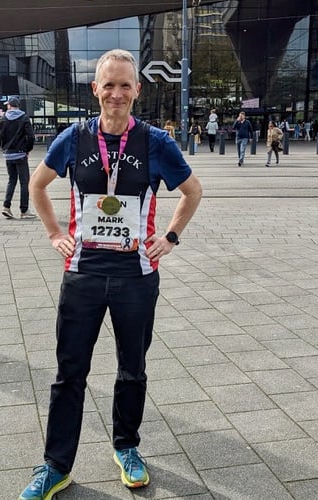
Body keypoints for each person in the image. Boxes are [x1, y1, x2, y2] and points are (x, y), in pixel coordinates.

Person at [19, 49, 202, 500]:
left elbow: (192, 191)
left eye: (125, 85)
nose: (116, 93)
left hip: (137, 276)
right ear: (95, 89)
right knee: (69, 373)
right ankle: (55, 465)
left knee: (132, 370)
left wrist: (171, 238)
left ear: (137, 91)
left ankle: (127, 447)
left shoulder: (157, 141)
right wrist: (53, 234)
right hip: (82, 273)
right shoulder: (75, 138)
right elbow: (37, 185)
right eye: (109, 85)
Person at [0, 96, 36, 219]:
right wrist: (27, 150)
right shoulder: (24, 118)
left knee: (11, 180)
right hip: (20, 154)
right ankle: (24, 210)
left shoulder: (2, 119)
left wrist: (5, 149)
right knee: (24, 182)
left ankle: (6, 206)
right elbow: (31, 137)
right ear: (18, 106)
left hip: (8, 154)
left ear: (9, 105)